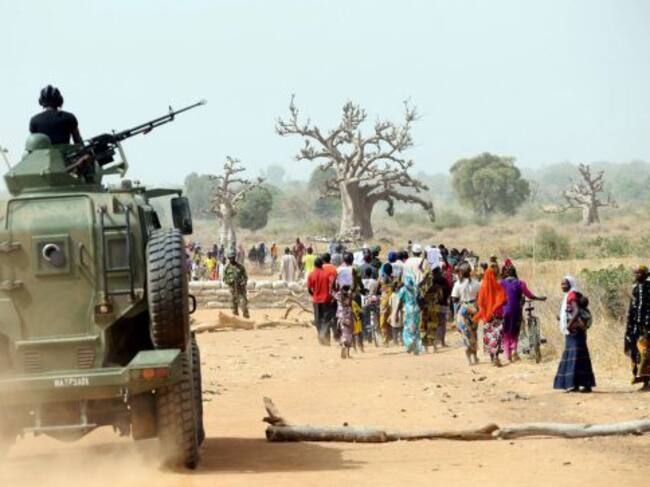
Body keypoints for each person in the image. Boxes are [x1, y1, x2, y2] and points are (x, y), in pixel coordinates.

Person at [553, 276, 596, 393]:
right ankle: (580, 384)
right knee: (578, 356)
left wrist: (569, 324)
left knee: (575, 355)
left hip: (574, 331)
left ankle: (575, 384)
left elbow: (576, 312)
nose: (562, 286)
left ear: (570, 284)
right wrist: (562, 318)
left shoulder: (571, 295)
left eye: (565, 284)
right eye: (561, 284)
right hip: (575, 331)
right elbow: (571, 312)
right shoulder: (571, 295)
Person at [500, 265, 546, 362]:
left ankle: (507, 355)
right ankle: (514, 350)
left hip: (504, 310)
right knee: (515, 331)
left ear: (505, 274)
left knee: (506, 332)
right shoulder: (520, 283)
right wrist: (540, 298)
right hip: (517, 310)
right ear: (515, 273)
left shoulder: (501, 283)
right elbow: (529, 295)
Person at [474, 267, 507, 366]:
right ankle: (496, 357)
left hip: (487, 317)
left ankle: (492, 358)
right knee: (497, 336)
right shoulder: (498, 286)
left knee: (490, 336)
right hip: (497, 315)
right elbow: (504, 299)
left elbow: (480, 303)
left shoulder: (482, 288)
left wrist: (484, 312)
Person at [624, 266, 650, 390]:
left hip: (647, 327)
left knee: (646, 353)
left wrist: (646, 324)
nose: (635, 275)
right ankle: (644, 381)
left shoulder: (649, 287)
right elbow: (632, 308)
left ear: (645, 274)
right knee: (637, 354)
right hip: (635, 327)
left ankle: (647, 383)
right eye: (634, 273)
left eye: (638, 273)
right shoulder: (635, 289)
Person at [451, 265, 481, 365]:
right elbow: (480, 297)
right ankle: (475, 357)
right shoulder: (477, 283)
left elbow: (455, 300)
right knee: (474, 332)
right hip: (474, 310)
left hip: (463, 310)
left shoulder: (458, 284)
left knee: (465, 334)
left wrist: (455, 316)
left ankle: (469, 360)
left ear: (461, 272)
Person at [418, 266, 449, 353]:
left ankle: (425, 347)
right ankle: (433, 347)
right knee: (432, 327)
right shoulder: (437, 287)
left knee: (423, 327)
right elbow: (440, 298)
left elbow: (419, 298)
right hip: (433, 309)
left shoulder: (421, 286)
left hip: (424, 309)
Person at [307, 258, 335, 345]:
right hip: (326, 299)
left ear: (314, 265)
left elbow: (309, 289)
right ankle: (326, 338)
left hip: (316, 300)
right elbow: (332, 285)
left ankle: (321, 338)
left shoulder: (311, 275)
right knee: (326, 319)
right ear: (322, 264)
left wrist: (314, 294)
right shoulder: (327, 274)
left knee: (318, 319)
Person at [396, 274, 423, 355]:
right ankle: (417, 349)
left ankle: (409, 344)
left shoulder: (403, 290)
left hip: (408, 310)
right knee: (416, 329)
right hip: (416, 310)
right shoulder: (416, 289)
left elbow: (399, 302)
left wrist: (396, 313)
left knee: (407, 329)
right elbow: (420, 300)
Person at [223, 250, 250, 319]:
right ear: (228, 258)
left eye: (233, 257)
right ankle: (236, 318)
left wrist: (243, 282)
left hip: (241, 288)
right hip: (232, 288)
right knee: (233, 304)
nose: (232, 259)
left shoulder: (241, 267)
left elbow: (245, 277)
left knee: (243, 303)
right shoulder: (226, 268)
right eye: (231, 258)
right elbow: (224, 279)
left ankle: (246, 316)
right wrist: (230, 281)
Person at [334, 285, 355, 359]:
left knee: (341, 331)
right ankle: (348, 354)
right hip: (348, 316)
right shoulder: (350, 296)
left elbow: (333, 293)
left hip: (340, 316)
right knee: (349, 333)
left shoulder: (338, 295)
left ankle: (343, 343)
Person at [361, 266, 380, 343]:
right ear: (371, 273)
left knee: (365, 320)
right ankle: (374, 334)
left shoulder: (361, 281)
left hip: (363, 302)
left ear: (365, 273)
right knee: (374, 317)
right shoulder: (375, 282)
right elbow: (377, 292)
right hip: (372, 301)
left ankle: (366, 336)